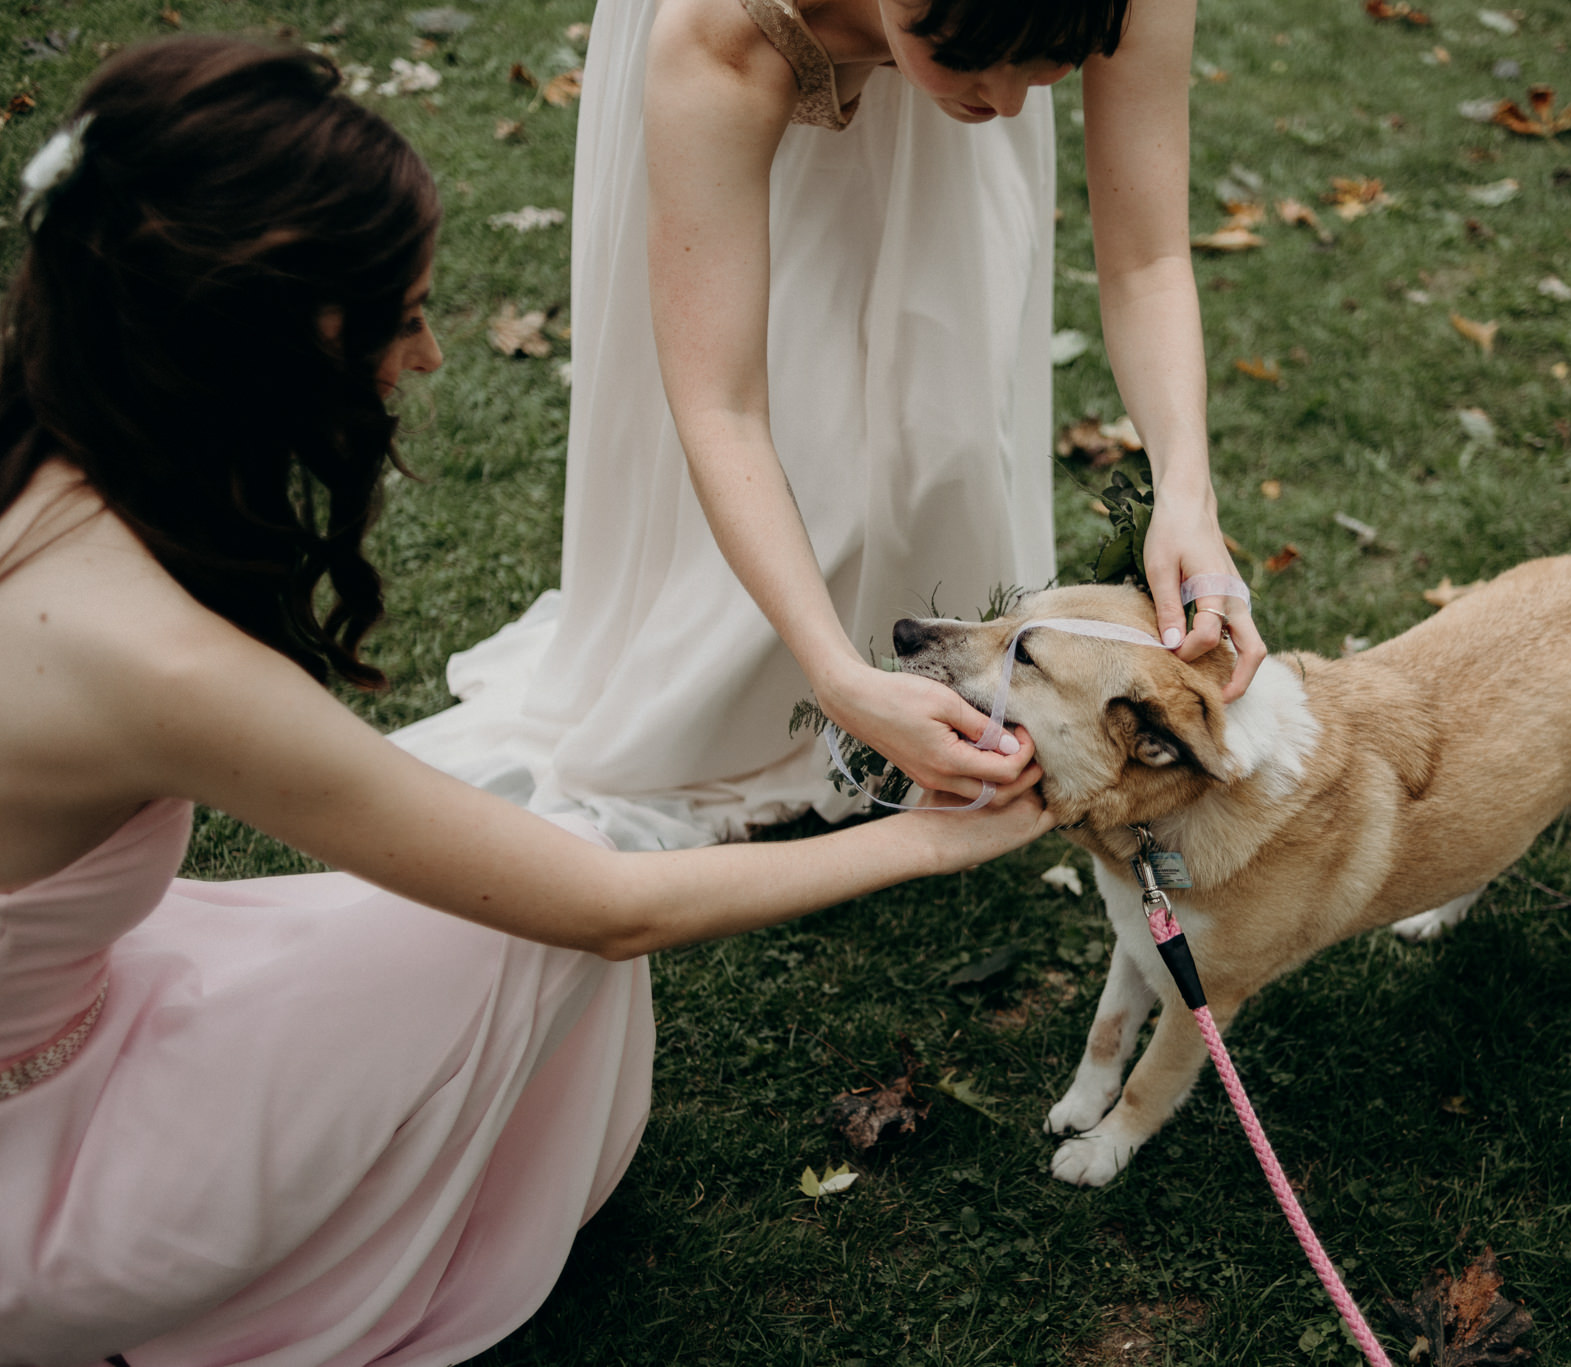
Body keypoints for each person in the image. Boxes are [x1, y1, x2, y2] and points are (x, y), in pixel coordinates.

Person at [0, 38, 1051, 1366]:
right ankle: (318, 1267)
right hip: (38, 1177)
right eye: (406, 314)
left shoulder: (49, 445)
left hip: (63, 1014)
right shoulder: (152, 662)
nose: (431, 355)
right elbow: (607, 913)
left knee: (526, 865)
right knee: (556, 897)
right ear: (275, 333)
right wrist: (932, 836)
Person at [388, 0, 1267, 849]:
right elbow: (722, 406)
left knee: (947, 435)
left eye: (1049, 72)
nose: (1003, 105)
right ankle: (765, 691)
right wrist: (840, 681)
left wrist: (1186, 492)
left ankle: (921, 690)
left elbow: (1147, 258)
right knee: (797, 409)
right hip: (770, 57)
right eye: (973, 63)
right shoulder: (722, 34)